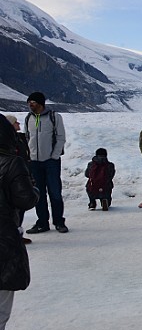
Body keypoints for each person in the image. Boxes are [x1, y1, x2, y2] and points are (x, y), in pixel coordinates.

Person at [0, 114, 40, 330]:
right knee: (1, 303)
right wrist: (33, 187)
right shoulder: (11, 162)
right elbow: (25, 198)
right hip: (3, 240)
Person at [23, 92, 69, 234]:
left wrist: (54, 156)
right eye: (29, 102)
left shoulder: (54, 117)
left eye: (33, 102)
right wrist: (29, 155)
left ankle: (59, 221)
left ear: (41, 103)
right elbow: (27, 137)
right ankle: (42, 222)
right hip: (34, 162)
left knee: (55, 192)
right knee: (39, 193)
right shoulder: (28, 118)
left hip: (50, 162)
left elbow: (61, 137)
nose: (30, 104)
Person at [3, 115, 32, 244]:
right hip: (15, 177)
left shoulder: (20, 138)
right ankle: (16, 233)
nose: (19, 124)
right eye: (15, 122)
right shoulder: (9, 147)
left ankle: (18, 230)